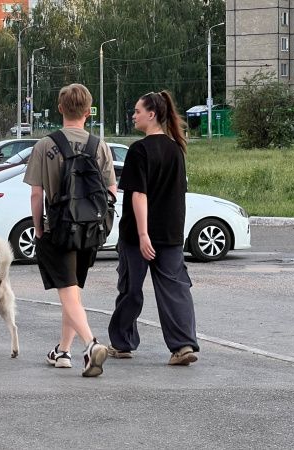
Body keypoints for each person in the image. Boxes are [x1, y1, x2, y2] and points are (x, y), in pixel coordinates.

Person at [23, 83, 117, 377]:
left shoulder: (45, 145)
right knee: (72, 293)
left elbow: (36, 194)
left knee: (67, 293)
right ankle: (63, 352)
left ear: (60, 108)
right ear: (89, 112)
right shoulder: (98, 145)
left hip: (58, 230)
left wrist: (38, 229)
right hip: (89, 231)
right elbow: (111, 191)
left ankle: (91, 345)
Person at [107, 91, 199, 366]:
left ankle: (122, 344)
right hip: (170, 234)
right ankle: (182, 346)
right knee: (175, 289)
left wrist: (144, 234)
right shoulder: (176, 149)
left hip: (138, 237)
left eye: (137, 111)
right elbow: (178, 195)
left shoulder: (139, 150)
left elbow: (138, 195)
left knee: (131, 289)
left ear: (152, 114)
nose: (133, 116)